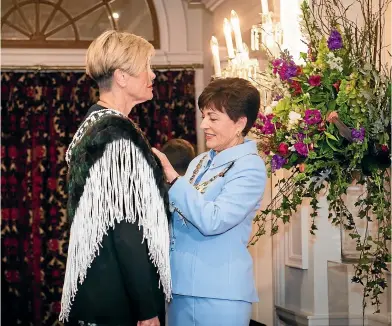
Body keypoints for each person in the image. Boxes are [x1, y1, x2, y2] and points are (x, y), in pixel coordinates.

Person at [60, 30, 171, 326]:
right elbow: (126, 227)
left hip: (99, 288)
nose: (154, 74)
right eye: (147, 66)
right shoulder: (115, 134)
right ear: (122, 76)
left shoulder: (94, 125)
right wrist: (146, 308)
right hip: (119, 299)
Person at [153, 77, 267, 326]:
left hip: (220, 293)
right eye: (204, 116)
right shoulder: (199, 162)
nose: (204, 124)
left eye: (213, 118)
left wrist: (173, 178)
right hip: (179, 287)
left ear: (240, 123)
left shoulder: (251, 167)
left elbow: (213, 220)